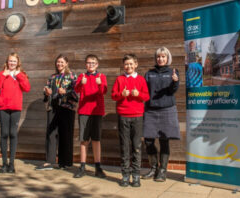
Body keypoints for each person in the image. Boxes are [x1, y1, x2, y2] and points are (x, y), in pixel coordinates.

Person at [142, 47, 180, 182]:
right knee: (148, 140)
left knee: (164, 140)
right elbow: (144, 90)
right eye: (158, 57)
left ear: (167, 58)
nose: (160, 59)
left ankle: (163, 170)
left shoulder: (173, 72)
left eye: (163, 56)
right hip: (151, 110)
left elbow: (173, 90)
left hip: (167, 109)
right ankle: (153, 168)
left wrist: (175, 81)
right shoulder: (149, 73)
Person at [111, 54, 149, 187]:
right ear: (123, 65)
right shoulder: (119, 79)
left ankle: (136, 175)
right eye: (126, 64)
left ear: (136, 64)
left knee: (137, 146)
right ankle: (125, 175)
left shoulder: (141, 79)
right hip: (123, 116)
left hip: (137, 116)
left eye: (131, 64)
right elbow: (113, 96)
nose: (129, 66)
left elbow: (146, 96)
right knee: (124, 146)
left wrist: (138, 94)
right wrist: (122, 94)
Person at [36, 54, 78, 170]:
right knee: (51, 134)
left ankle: (65, 162)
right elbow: (46, 92)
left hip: (67, 108)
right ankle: (50, 161)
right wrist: (47, 93)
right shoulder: (52, 77)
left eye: (62, 62)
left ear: (66, 63)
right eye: (58, 62)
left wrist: (66, 92)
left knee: (66, 134)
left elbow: (77, 94)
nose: (59, 64)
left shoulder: (72, 76)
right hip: (53, 107)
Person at [0, 52, 31, 173]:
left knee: (13, 134)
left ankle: (12, 164)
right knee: (4, 134)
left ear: (17, 63)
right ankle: (4, 164)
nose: (12, 63)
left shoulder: (21, 74)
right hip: (4, 108)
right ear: (7, 62)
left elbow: (27, 88)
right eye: (10, 61)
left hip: (16, 108)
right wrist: (3, 75)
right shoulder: (1, 74)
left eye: (14, 61)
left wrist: (19, 75)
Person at [73, 54, 107, 178]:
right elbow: (76, 90)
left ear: (97, 64)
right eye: (88, 63)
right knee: (84, 139)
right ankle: (82, 166)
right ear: (85, 64)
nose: (90, 65)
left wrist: (99, 84)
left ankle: (98, 166)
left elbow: (104, 91)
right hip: (84, 111)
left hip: (97, 111)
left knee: (96, 139)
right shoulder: (82, 76)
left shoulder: (101, 76)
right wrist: (81, 84)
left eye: (93, 63)